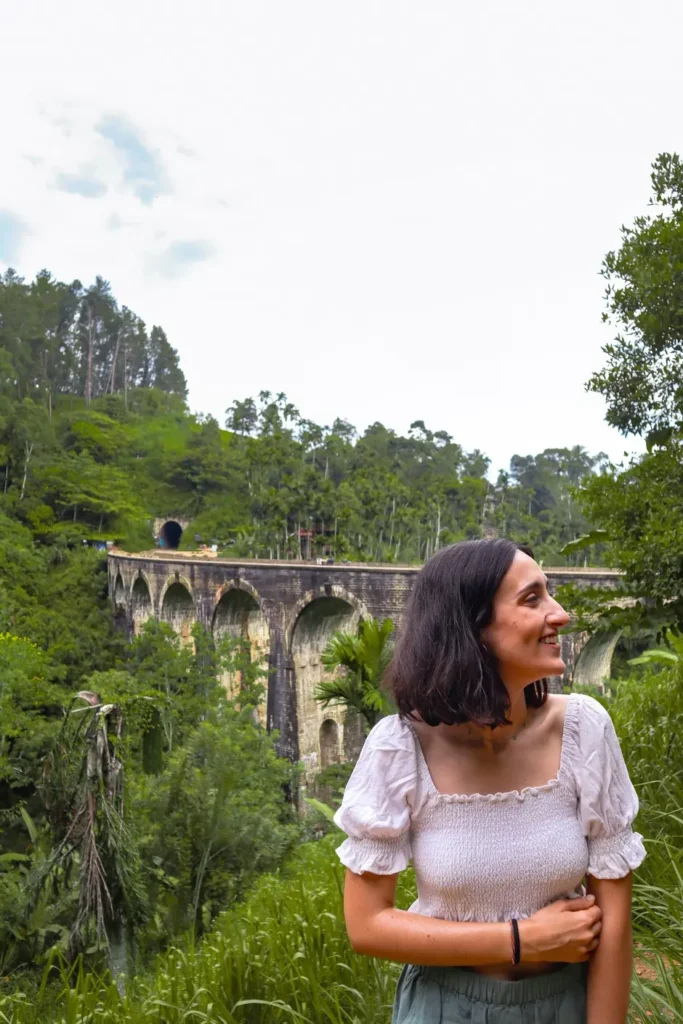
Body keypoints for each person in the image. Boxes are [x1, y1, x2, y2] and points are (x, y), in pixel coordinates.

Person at [333, 539, 645, 1023]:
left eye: (551, 593)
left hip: (565, 1004)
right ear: (472, 628)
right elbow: (367, 925)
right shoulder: (401, 746)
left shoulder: (584, 729)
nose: (560, 614)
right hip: (444, 1007)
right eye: (532, 598)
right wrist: (522, 939)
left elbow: (615, 920)